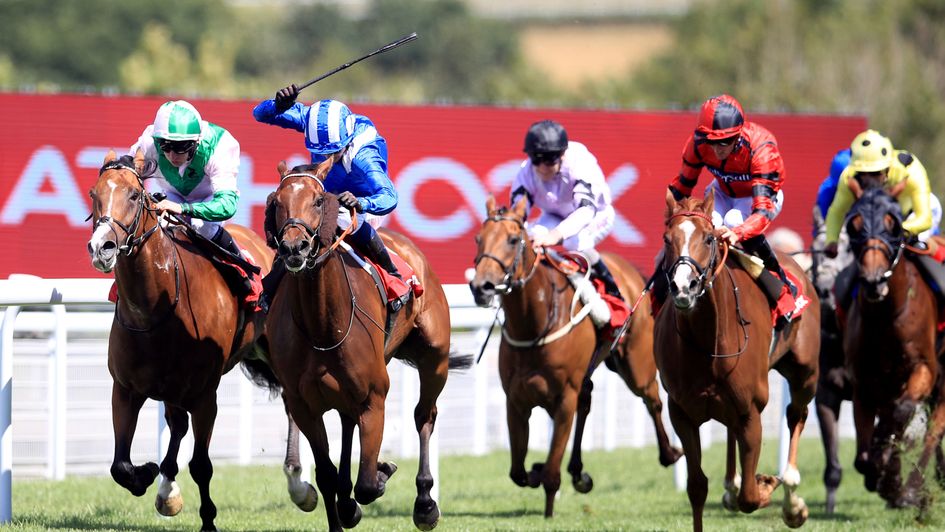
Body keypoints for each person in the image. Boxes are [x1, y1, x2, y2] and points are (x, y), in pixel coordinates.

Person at [253, 84, 402, 308]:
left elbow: (389, 196)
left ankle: (393, 276)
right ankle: (276, 277)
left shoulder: (364, 156)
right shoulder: (311, 120)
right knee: (294, 213)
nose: (325, 159)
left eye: (332, 152)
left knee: (341, 216)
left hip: (362, 201)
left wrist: (361, 203)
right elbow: (259, 114)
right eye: (319, 152)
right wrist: (277, 106)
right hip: (326, 194)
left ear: (346, 142)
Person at [657, 94, 797, 323]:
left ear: (738, 135)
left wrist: (738, 233)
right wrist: (675, 221)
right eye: (710, 141)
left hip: (760, 197)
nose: (716, 149)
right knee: (705, 224)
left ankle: (780, 285)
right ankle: (659, 294)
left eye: (724, 142)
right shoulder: (698, 143)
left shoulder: (762, 148)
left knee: (732, 220)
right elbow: (682, 186)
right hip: (722, 191)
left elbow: (762, 211)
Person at [510, 119, 622, 300]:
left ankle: (612, 288)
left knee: (573, 243)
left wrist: (555, 235)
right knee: (531, 237)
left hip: (596, 215)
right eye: (536, 159)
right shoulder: (527, 170)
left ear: (562, 155)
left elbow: (585, 211)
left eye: (548, 160)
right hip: (554, 215)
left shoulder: (580, 163)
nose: (541, 167)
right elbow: (517, 214)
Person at [130, 100, 244, 257]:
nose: (172, 155)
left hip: (209, 198)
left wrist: (183, 209)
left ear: (196, 142)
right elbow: (125, 175)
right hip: (172, 196)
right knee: (156, 222)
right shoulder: (149, 141)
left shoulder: (219, 145)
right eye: (165, 146)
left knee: (201, 226)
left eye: (180, 147)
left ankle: (243, 266)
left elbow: (227, 205)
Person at [824, 129, 940, 259]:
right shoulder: (848, 176)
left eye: (875, 173)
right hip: (882, 220)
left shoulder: (911, 171)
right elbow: (837, 212)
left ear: (887, 169)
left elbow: (924, 218)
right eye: (862, 173)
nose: (869, 180)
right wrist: (831, 240)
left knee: (916, 247)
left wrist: (897, 230)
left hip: (915, 212)